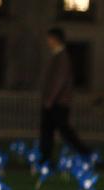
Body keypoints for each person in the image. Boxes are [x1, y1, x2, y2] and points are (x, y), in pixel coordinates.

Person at [39, 27, 91, 164]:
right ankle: (46, 158)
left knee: (60, 131)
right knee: (52, 131)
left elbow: (59, 80)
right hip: (57, 101)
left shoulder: (62, 57)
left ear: (55, 39)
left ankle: (85, 152)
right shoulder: (59, 56)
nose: (47, 42)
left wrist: (50, 99)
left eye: (49, 39)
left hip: (58, 102)